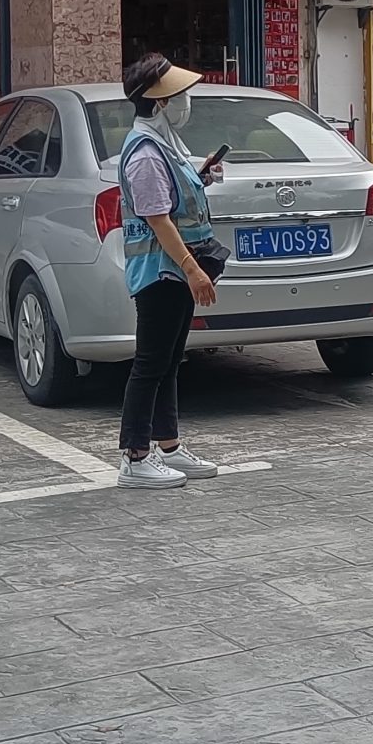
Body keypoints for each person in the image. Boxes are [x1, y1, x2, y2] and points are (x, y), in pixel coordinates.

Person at [114, 52, 227, 487]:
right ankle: (135, 456)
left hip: (172, 271)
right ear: (159, 102)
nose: (186, 102)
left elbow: (171, 201)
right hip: (159, 273)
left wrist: (201, 176)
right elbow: (158, 219)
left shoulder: (163, 145)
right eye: (179, 95)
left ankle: (169, 445)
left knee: (169, 361)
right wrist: (192, 270)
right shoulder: (145, 153)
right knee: (150, 363)